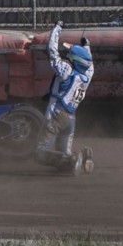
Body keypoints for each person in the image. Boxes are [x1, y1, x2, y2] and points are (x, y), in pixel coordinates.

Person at [34, 20, 94, 176]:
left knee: (40, 153)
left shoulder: (67, 71)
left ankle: (74, 160)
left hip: (56, 114)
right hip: (71, 118)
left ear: (74, 61)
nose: (68, 58)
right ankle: (80, 160)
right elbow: (90, 62)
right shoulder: (87, 76)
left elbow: (52, 52)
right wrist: (86, 46)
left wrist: (57, 29)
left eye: (70, 56)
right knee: (63, 154)